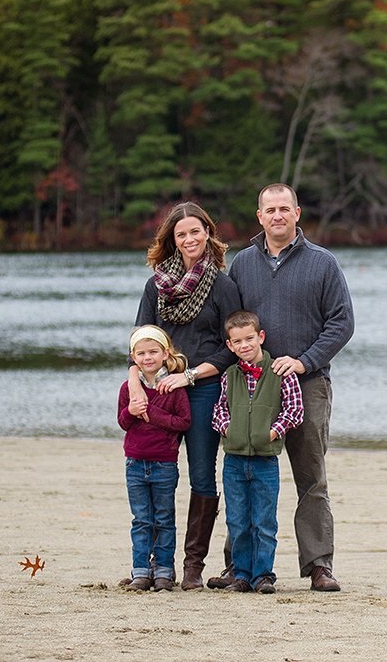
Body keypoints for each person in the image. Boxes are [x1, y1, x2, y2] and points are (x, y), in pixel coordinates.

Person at [212, 183, 354, 592]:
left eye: (284, 209)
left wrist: (304, 360)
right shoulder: (242, 264)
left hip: (307, 384)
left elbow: (342, 323)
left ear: (297, 213)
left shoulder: (323, 263)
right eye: (270, 209)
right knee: (246, 473)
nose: (277, 215)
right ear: (259, 216)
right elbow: (232, 325)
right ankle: (238, 567)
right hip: (251, 389)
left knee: (311, 478)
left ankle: (318, 566)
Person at [130, 202, 242, 590]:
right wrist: (134, 382)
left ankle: (192, 566)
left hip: (203, 391)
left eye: (196, 231)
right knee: (154, 476)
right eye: (182, 234)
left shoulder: (224, 286)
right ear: (172, 240)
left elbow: (231, 348)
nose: (190, 239)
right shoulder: (155, 285)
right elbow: (139, 341)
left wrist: (189, 376)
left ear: (208, 234)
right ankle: (153, 568)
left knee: (200, 476)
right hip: (157, 392)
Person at [211, 310, 304, 594]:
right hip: (234, 460)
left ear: (260, 337)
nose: (244, 345)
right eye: (237, 341)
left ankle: (263, 575)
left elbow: (295, 410)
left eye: (249, 338)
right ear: (230, 345)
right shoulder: (230, 375)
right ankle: (241, 575)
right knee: (237, 521)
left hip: (266, 460)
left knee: (264, 521)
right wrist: (229, 429)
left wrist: (273, 431)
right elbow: (219, 410)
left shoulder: (279, 371)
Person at [118, 325, 192, 592]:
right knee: (141, 520)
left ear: (165, 354)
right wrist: (131, 411)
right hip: (135, 463)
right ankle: (140, 571)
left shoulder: (172, 387)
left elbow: (183, 422)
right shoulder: (128, 388)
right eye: (141, 353)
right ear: (133, 357)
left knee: (163, 519)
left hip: (164, 464)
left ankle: (163, 571)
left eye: (153, 352)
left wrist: (150, 413)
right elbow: (123, 423)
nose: (147, 357)